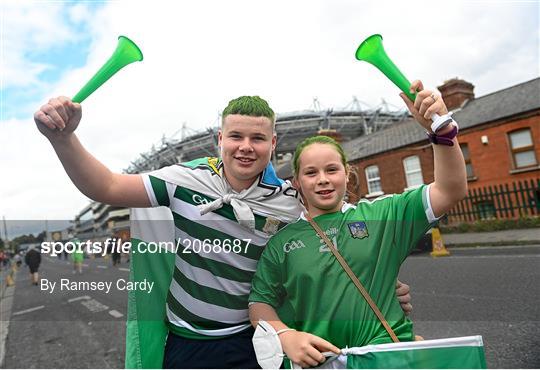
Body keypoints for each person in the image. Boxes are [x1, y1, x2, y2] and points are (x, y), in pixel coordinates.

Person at [34, 94, 413, 368]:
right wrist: (63, 139)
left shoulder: (290, 200)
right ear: (220, 140)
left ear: (273, 144)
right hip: (189, 343)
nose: (246, 147)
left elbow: (339, 237)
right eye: (236, 136)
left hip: (262, 339)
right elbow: (107, 188)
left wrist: (379, 290)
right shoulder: (184, 181)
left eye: (258, 138)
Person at [248, 80, 468, 368]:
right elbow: (259, 303)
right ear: (297, 183)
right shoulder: (281, 242)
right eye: (311, 173)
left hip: (388, 358)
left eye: (331, 169)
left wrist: (441, 131)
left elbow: (450, 190)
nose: (323, 179)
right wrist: (285, 335)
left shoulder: (381, 216)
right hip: (319, 363)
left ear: (347, 173)